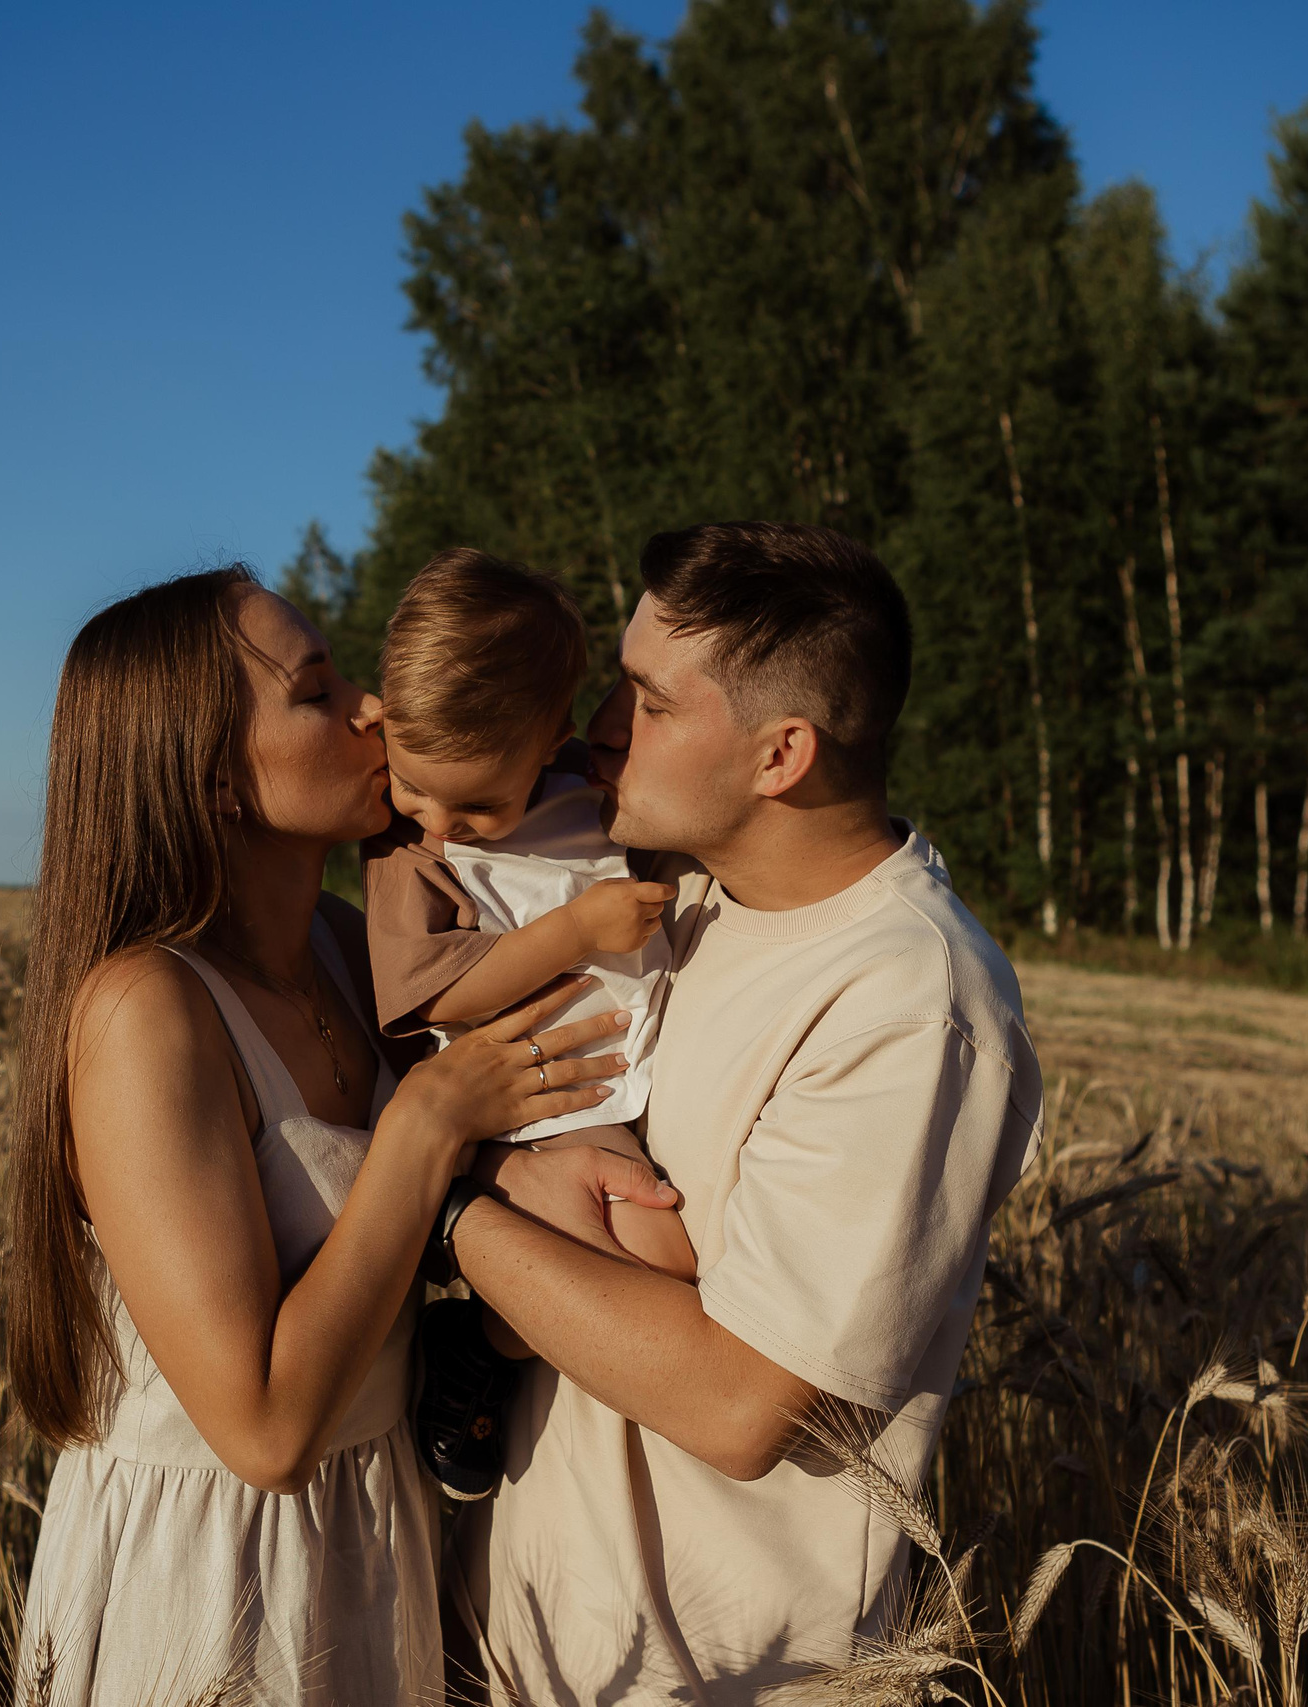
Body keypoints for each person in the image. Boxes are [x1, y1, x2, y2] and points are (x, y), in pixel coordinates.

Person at [2, 566, 670, 1706]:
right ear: (213, 776)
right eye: (316, 689)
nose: (369, 707)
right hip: (214, 1583)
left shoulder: (340, 944)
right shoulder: (143, 1012)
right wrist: (429, 1120)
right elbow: (261, 1430)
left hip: (377, 1537)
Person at [438, 523, 1046, 1701]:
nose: (597, 730)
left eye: (649, 703)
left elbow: (736, 1402)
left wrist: (446, 1203)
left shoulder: (910, 1000)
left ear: (782, 754)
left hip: (714, 1675)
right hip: (529, 1650)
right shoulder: (685, 912)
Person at [356, 548, 693, 1499]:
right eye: (410, 781)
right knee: (662, 1257)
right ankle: (482, 1340)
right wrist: (575, 928)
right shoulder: (406, 856)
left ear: (550, 739)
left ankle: (493, 1329)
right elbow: (433, 995)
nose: (439, 820)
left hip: (623, 1065)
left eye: (477, 802)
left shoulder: (586, 789)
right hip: (534, 1087)